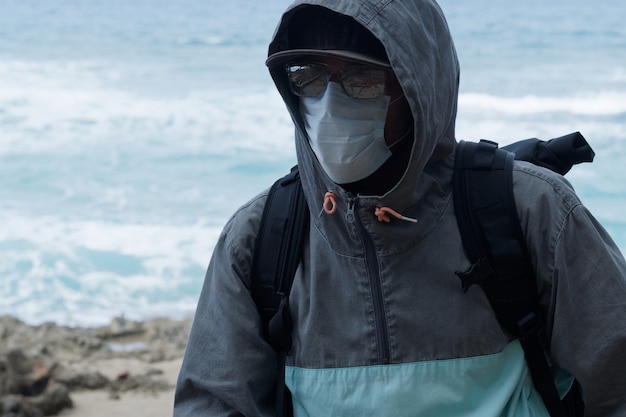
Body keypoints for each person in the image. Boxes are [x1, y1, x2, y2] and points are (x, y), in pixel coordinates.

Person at [173, 1, 626, 416]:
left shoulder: (534, 210)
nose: (329, 105)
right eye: (308, 76)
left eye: (363, 79)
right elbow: (213, 404)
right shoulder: (260, 237)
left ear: (418, 87)